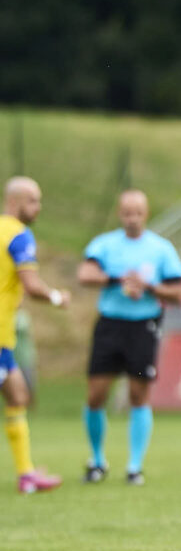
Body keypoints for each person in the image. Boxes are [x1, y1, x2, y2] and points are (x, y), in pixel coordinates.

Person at [76, 190, 181, 485]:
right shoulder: (105, 245)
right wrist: (117, 280)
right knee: (96, 394)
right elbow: (85, 274)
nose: (132, 219)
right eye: (127, 213)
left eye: (137, 213)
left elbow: (178, 293)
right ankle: (97, 460)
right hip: (110, 326)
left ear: (146, 214)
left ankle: (134, 466)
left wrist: (148, 287)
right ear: (119, 214)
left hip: (142, 328)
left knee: (139, 395)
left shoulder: (160, 249)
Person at [2, 177, 70, 494]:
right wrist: (57, 297)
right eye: (32, 201)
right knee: (18, 395)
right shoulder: (19, 236)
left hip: (4, 339)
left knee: (18, 396)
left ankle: (26, 474)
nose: (38, 207)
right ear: (14, 202)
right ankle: (26, 475)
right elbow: (31, 285)